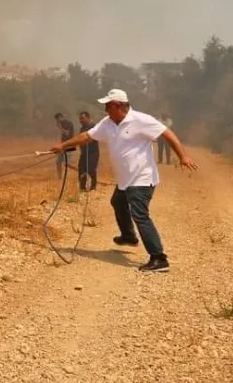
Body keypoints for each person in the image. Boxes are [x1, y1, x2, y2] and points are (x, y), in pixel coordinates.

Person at [48, 89, 197, 273]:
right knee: (117, 201)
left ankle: (159, 258)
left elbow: (167, 133)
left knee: (140, 215)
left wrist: (183, 156)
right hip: (125, 180)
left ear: (119, 106)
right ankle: (128, 236)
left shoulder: (141, 120)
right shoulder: (108, 123)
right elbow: (87, 136)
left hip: (142, 179)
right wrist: (63, 146)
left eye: (108, 105)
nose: (105, 109)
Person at [76, 111, 99, 191]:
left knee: (91, 169)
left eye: (82, 118)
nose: (81, 120)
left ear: (88, 118)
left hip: (93, 152)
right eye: (80, 119)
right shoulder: (82, 128)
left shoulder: (93, 126)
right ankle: (82, 188)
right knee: (81, 170)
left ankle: (93, 188)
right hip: (84, 153)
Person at [53, 112, 76, 179]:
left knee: (67, 164)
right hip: (63, 145)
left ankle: (80, 170)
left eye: (57, 119)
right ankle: (60, 177)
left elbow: (67, 134)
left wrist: (60, 127)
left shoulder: (68, 123)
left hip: (70, 145)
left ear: (60, 117)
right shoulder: (61, 123)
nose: (57, 121)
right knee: (58, 162)